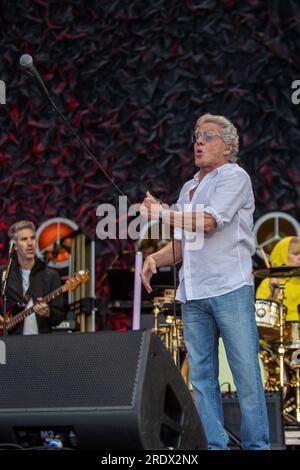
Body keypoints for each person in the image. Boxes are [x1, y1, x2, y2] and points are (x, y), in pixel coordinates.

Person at [140, 113, 270, 450]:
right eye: (197, 135)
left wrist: (164, 213)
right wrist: (155, 258)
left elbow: (209, 222)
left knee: (246, 376)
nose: (198, 141)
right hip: (193, 293)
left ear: (227, 147)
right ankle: (215, 446)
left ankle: (257, 447)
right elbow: (184, 243)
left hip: (229, 288)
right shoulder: (188, 187)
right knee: (200, 379)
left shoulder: (234, 176)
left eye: (208, 136)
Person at [0, 220, 65, 334]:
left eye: (32, 238)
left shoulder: (50, 275)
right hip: (11, 343)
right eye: (24, 239)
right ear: (14, 246)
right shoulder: (4, 273)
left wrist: (48, 312)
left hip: (40, 344)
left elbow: (59, 316)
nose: (30, 243)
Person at [256, 236, 300, 321]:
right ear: (281, 255)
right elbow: (262, 318)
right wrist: (273, 295)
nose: (299, 257)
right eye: (295, 253)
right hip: (276, 332)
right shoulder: (268, 283)